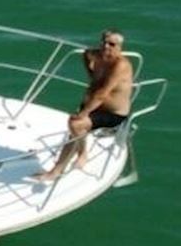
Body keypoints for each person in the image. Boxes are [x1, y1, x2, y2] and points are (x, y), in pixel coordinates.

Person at [30, 29, 134, 181]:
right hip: (95, 106)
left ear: (120, 47)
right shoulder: (96, 56)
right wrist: (92, 76)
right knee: (76, 127)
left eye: (112, 44)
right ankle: (82, 152)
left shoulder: (120, 65)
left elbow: (102, 93)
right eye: (104, 42)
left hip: (113, 114)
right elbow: (86, 54)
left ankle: (56, 171)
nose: (106, 46)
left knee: (76, 125)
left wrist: (84, 113)